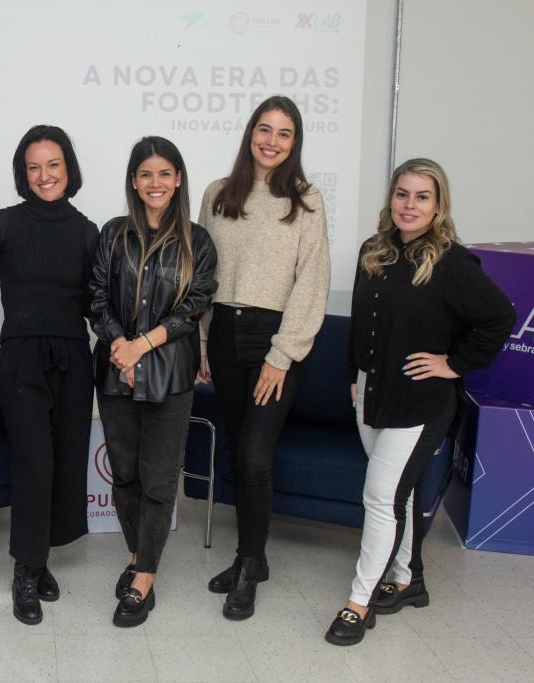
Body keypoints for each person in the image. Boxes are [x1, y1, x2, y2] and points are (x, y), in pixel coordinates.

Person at [325, 158, 515, 645]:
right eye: (402, 194)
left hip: (420, 403)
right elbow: (362, 322)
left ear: (438, 205)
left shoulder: (452, 262)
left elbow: (499, 316)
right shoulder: (374, 251)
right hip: (371, 393)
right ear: (391, 198)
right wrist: (354, 375)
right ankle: (410, 579)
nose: (410, 205)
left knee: (380, 498)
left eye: (422, 197)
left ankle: (359, 601)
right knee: (400, 494)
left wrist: (454, 363)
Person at [198, 95, 330, 621]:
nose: (272, 141)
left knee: (255, 456)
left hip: (274, 340)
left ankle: (249, 566)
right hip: (223, 334)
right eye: (264, 129)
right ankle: (252, 556)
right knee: (237, 450)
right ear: (250, 133)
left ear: (295, 143)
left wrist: (282, 354)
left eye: (284, 133)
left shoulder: (306, 201)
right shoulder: (217, 194)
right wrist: (203, 342)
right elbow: (201, 275)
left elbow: (312, 282)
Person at [89, 136, 218, 628]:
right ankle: (137, 554)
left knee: (159, 478)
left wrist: (141, 346)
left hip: (170, 374)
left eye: (165, 173)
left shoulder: (197, 241)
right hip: (115, 371)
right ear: (134, 181)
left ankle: (144, 578)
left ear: (178, 179)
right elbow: (96, 297)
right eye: (146, 174)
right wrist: (120, 344)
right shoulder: (113, 233)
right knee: (125, 475)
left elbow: (194, 306)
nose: (155, 182)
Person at [0, 125, 99, 625]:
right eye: (34, 167)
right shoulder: (4, 224)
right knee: (33, 463)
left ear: (68, 169)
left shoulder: (88, 231)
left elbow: (97, 305)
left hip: (74, 357)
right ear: (22, 173)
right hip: (21, 358)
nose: (44, 175)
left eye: (53, 165)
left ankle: (39, 558)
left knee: (65, 462)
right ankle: (25, 572)